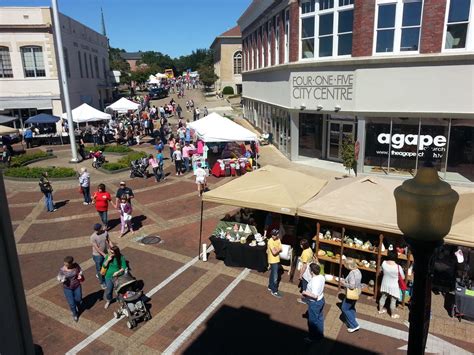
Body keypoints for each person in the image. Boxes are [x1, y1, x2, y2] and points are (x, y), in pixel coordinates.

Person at [302, 263, 325, 343]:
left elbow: (315, 296)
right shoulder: (321, 277)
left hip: (315, 303)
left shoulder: (314, 281)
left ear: (311, 272)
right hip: (321, 300)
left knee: (312, 321)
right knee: (320, 318)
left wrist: (305, 292)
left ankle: (312, 337)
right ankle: (320, 334)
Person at [57, 256, 84, 322]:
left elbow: (80, 270)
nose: (65, 265)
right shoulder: (62, 270)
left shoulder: (76, 265)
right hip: (67, 288)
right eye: (64, 264)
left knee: (79, 299)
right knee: (71, 303)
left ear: (71, 263)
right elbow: (59, 277)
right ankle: (75, 314)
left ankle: (77, 305)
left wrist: (80, 274)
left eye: (66, 264)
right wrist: (61, 279)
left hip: (77, 285)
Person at [378, 250, 404, 318]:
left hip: (384, 283)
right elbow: (403, 277)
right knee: (393, 301)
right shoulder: (398, 267)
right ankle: (392, 314)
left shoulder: (383, 263)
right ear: (396, 257)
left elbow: (381, 270)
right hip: (394, 286)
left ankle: (380, 310)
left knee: (383, 297)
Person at [340, 258, 362, 332]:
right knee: (351, 307)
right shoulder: (358, 271)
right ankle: (351, 319)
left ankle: (354, 325)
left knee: (344, 308)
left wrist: (344, 283)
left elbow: (352, 286)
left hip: (351, 294)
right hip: (357, 293)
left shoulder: (352, 273)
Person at [90, 223, 112, 290]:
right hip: (97, 255)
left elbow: (108, 241)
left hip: (104, 253)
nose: (96, 232)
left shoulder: (105, 232)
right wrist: (104, 254)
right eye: (95, 230)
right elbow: (96, 248)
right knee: (99, 269)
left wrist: (113, 247)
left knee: (106, 266)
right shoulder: (93, 237)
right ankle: (102, 282)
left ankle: (104, 277)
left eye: (97, 230)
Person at [267, 229, 283, 298]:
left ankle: (270, 286)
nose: (273, 236)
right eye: (272, 235)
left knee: (273, 273)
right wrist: (278, 249)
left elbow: (281, 249)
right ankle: (274, 291)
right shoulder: (270, 241)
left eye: (274, 235)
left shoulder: (278, 239)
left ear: (277, 235)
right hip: (272, 260)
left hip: (276, 259)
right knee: (275, 276)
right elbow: (274, 252)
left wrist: (277, 250)